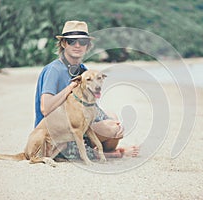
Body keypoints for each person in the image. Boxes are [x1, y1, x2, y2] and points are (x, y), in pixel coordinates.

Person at [34, 20, 139, 160]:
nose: (77, 45)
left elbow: (89, 105)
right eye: (72, 41)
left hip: (76, 119)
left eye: (82, 41)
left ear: (87, 45)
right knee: (111, 130)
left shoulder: (82, 69)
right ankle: (110, 153)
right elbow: (45, 108)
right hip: (57, 132)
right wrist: (71, 87)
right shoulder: (55, 70)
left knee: (114, 119)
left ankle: (100, 149)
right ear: (64, 44)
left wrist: (112, 122)